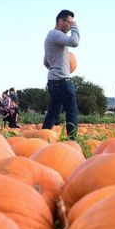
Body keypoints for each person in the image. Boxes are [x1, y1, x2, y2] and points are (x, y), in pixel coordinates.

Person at [42, 9, 80, 139]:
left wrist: (55, 70)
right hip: (62, 81)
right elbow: (74, 42)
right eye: (69, 23)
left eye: (71, 24)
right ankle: (72, 142)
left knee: (54, 111)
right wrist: (75, 26)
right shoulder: (56, 34)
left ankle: (43, 136)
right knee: (72, 111)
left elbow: (45, 62)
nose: (70, 26)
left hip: (53, 81)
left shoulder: (50, 37)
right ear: (60, 21)